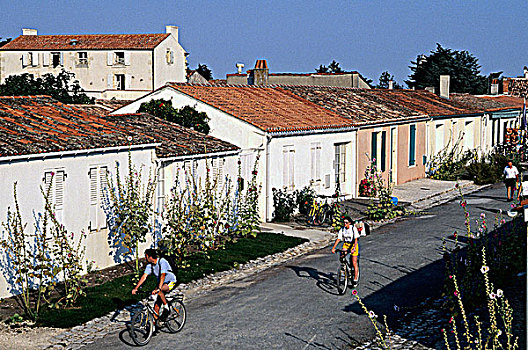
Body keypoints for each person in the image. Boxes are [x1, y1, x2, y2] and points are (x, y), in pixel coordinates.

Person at [132, 248, 177, 319]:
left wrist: (159, 288)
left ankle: (166, 306)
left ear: (150, 256)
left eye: (146, 256)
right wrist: (136, 288)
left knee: (159, 290)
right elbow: (144, 276)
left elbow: (163, 275)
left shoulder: (162, 261)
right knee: (156, 307)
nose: (145, 258)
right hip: (161, 283)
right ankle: (154, 327)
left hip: (171, 281)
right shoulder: (150, 266)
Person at [331, 216, 360, 287]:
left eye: (346, 223)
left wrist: (353, 249)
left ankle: (355, 279)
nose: (345, 224)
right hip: (346, 244)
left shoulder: (353, 228)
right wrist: (334, 248)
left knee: (354, 262)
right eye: (344, 222)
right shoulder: (342, 229)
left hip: (353, 244)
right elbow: (338, 239)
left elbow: (356, 239)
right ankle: (345, 267)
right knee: (342, 256)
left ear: (349, 223)